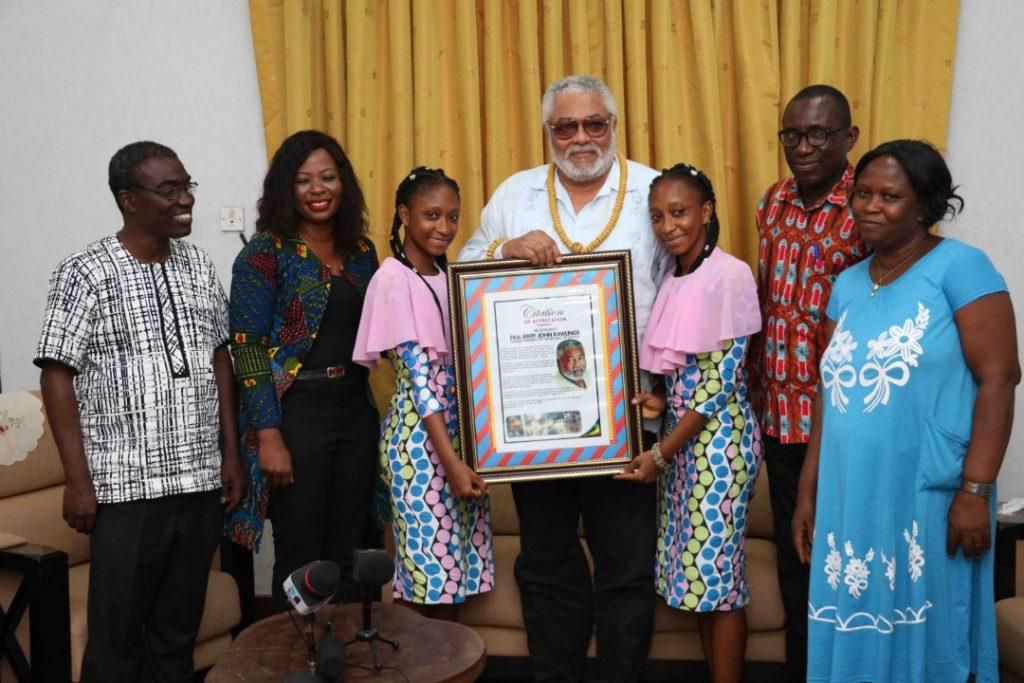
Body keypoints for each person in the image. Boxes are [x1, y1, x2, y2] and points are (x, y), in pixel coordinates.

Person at [459, 75, 668, 682]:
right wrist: (504, 248)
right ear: (548, 131)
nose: (581, 137)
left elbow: (685, 290)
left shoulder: (652, 190)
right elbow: (463, 276)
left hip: (630, 416)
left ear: (613, 125)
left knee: (626, 565)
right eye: (565, 126)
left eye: (593, 124)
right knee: (546, 562)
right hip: (534, 423)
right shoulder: (516, 194)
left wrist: (667, 393)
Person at [792, 140, 1019, 682]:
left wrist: (976, 489)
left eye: (890, 196)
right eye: (862, 193)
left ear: (926, 205)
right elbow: (831, 388)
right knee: (854, 622)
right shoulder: (847, 285)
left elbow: (1000, 379)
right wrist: (807, 490)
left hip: (928, 494)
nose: (870, 206)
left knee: (928, 634)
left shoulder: (962, 268)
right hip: (849, 497)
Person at [35, 141, 243, 680]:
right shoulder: (84, 272)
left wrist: (231, 452)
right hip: (126, 490)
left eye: (187, 186)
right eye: (168, 190)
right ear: (128, 199)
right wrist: (78, 480)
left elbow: (219, 356)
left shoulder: (198, 264)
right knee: (116, 640)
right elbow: (56, 372)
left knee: (177, 633)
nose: (185, 200)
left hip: (197, 483)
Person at [618, 164, 762, 683]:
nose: (667, 225)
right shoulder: (676, 276)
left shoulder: (729, 273)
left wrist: (659, 454)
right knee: (704, 585)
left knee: (718, 585)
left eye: (678, 212)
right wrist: (658, 404)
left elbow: (716, 385)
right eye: (657, 216)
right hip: (685, 446)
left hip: (717, 446)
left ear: (706, 211)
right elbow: (683, 374)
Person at [226, 130, 380, 611]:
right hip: (296, 417)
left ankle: (354, 658)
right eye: (304, 180)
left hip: (355, 409)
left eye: (328, 177)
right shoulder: (263, 256)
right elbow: (247, 349)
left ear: (344, 183)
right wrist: (269, 436)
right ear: (284, 189)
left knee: (354, 545)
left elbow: (381, 329)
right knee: (301, 550)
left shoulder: (361, 252)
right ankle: (299, 661)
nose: (318, 189)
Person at [747, 84, 866, 680]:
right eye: (791, 134)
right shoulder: (772, 201)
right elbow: (766, 300)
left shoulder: (868, 206)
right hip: (778, 416)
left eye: (818, 133)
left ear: (849, 138)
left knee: (845, 561)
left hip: (842, 420)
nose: (803, 146)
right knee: (797, 569)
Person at [353, 167, 494, 620]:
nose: (444, 227)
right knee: (429, 582)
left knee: (453, 580)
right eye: (432, 215)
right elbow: (418, 380)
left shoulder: (448, 274)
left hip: (454, 440)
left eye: (453, 217)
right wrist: (451, 464)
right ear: (404, 215)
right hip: (420, 445)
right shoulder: (394, 277)